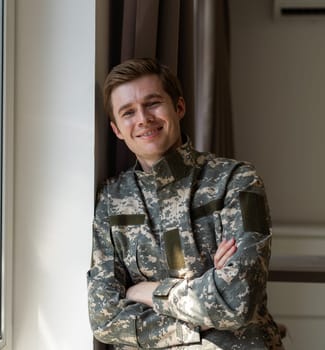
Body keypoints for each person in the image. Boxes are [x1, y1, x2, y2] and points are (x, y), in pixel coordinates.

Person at [87, 58, 284, 349]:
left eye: (152, 103)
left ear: (179, 107)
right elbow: (104, 319)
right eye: (128, 112)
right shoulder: (111, 200)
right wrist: (203, 312)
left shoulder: (237, 180)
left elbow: (236, 299)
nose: (143, 118)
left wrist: (146, 292)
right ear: (117, 130)